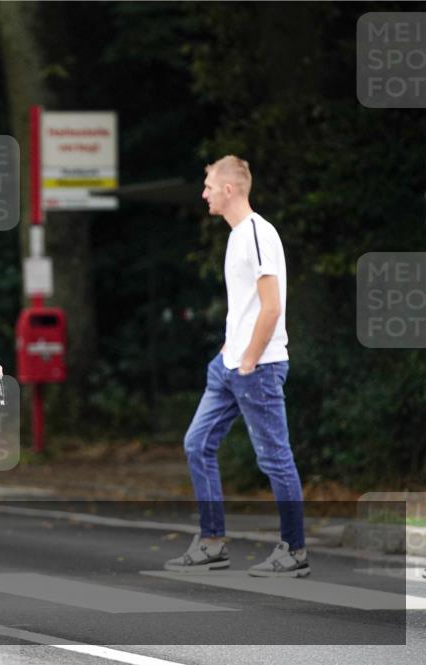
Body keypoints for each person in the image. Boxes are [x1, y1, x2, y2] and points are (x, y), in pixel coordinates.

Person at [165, 156, 308, 578]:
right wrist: (230, 351)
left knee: (275, 458)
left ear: (230, 189)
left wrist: (248, 359)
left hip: (257, 368)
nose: (204, 193)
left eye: (209, 185)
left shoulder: (259, 234)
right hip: (229, 366)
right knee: (197, 443)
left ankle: (294, 550)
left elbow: (272, 306)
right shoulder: (236, 238)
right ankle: (211, 542)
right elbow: (246, 308)